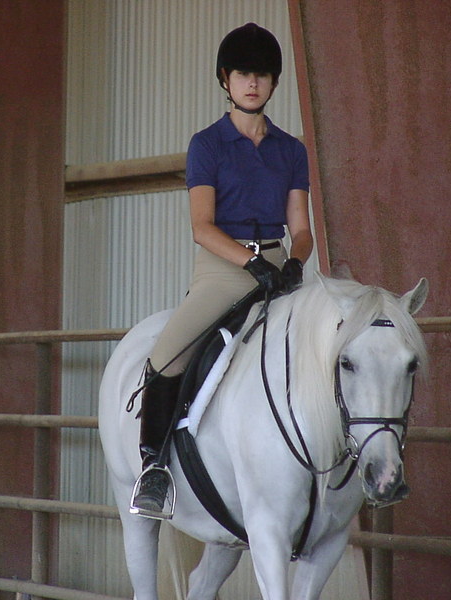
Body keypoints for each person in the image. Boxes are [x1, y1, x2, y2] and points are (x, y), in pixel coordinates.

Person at [130, 22, 313, 518]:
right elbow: (201, 227)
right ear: (225, 80)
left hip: (276, 265)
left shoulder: (291, 150)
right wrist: (250, 262)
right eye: (243, 74)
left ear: (273, 82)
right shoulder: (206, 144)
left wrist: (294, 262)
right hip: (223, 269)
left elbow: (301, 228)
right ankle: (153, 469)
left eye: (262, 74)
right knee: (167, 356)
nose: (253, 83)